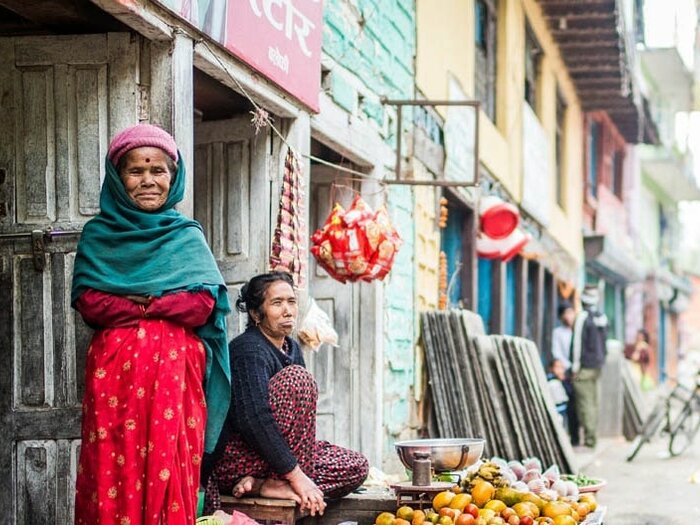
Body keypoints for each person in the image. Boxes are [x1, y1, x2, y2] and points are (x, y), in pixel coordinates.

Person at [71, 124, 231, 524]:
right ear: (117, 177)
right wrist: (158, 306)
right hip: (114, 378)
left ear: (173, 179)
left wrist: (140, 303)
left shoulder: (186, 236)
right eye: (136, 171)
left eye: (158, 171)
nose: (148, 181)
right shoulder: (98, 235)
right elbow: (91, 303)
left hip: (175, 376)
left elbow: (200, 304)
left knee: (171, 461)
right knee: (112, 462)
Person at [203, 272, 369, 515]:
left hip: (271, 461)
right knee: (297, 379)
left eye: (291, 301)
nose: (288, 310)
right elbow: (253, 420)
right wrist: (298, 476)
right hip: (238, 458)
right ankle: (280, 482)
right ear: (255, 314)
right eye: (277, 303)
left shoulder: (291, 348)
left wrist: (296, 471)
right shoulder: (248, 350)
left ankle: (263, 484)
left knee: (355, 465)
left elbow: (299, 426)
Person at [570, 285, 608, 449]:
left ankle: (590, 440)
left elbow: (577, 344)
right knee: (593, 403)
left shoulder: (582, 317)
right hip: (598, 367)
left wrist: (574, 368)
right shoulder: (602, 318)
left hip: (583, 368)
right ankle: (593, 438)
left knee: (585, 404)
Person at [551, 301, 579, 445]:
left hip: (579, 372)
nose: (570, 316)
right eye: (566, 313)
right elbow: (557, 352)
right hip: (566, 372)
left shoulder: (579, 331)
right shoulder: (558, 333)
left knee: (579, 405)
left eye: (571, 312)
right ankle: (569, 437)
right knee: (567, 404)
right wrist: (565, 369)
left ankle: (578, 437)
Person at [547, 359, 569, 425]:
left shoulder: (564, 381)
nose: (560, 370)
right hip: (557, 412)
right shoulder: (552, 382)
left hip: (563, 411)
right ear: (551, 369)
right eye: (557, 367)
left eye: (562, 367)